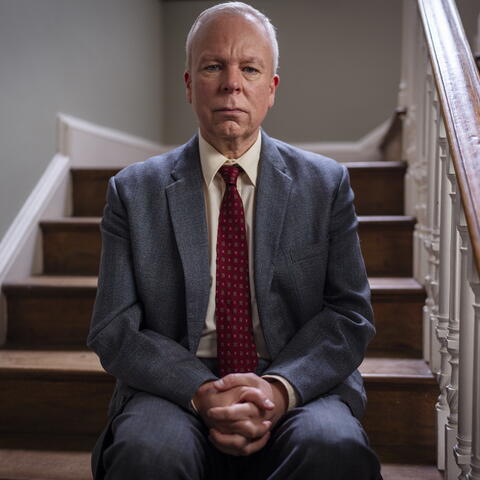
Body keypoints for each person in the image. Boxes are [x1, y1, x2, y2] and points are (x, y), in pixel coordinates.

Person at [87, 2, 382, 479]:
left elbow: (350, 314)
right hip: (175, 382)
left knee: (333, 447)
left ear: (271, 90)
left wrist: (278, 389)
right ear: (189, 84)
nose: (231, 83)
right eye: (213, 66)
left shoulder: (324, 185)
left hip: (296, 376)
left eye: (249, 68)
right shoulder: (133, 191)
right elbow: (114, 328)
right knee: (148, 454)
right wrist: (201, 391)